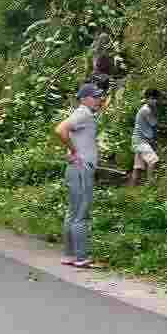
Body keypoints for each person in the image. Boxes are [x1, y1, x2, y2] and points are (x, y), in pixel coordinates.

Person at [55, 83, 106, 269]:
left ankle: (70, 255)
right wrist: (74, 151)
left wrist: (73, 151)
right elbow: (60, 129)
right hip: (82, 168)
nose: (99, 100)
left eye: (99, 96)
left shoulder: (84, 114)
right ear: (84, 99)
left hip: (77, 168)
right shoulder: (83, 114)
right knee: (81, 214)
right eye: (95, 97)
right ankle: (81, 257)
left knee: (73, 212)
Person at [129, 88, 163, 187]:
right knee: (153, 160)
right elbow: (155, 125)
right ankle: (150, 184)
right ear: (147, 99)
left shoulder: (148, 109)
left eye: (156, 99)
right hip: (141, 141)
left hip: (139, 141)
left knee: (138, 168)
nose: (155, 101)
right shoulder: (146, 110)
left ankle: (131, 189)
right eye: (152, 99)